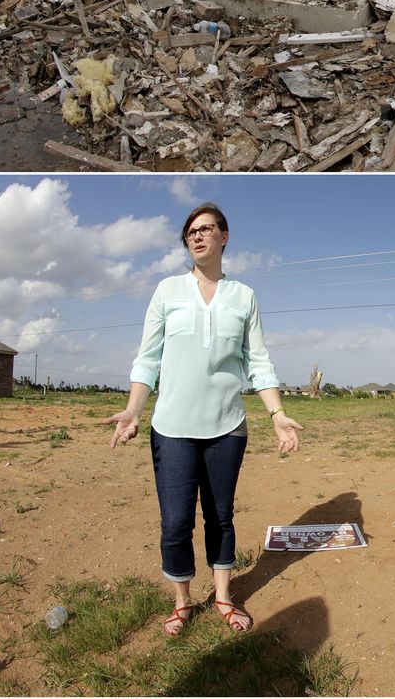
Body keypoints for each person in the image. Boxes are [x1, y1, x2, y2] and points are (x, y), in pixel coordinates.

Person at [104, 202, 302, 636]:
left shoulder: (244, 297)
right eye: (191, 231)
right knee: (176, 521)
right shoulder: (167, 292)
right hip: (172, 428)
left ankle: (225, 597)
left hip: (226, 428)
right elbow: (147, 360)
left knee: (220, 516)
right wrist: (134, 410)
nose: (197, 236)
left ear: (224, 237)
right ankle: (182, 602)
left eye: (207, 229)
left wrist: (278, 413)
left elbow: (259, 361)